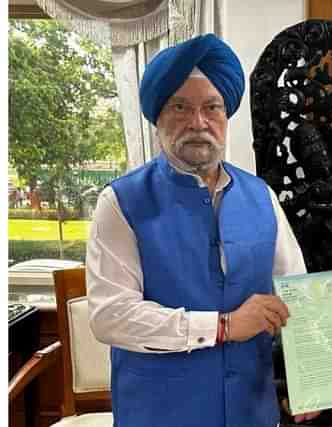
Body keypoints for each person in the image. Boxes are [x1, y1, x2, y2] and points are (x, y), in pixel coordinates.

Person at [87, 34, 316, 427]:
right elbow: (111, 315)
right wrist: (222, 327)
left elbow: (298, 292)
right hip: (160, 413)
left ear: (226, 117)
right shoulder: (121, 202)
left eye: (212, 107)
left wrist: (310, 377)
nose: (198, 123)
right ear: (157, 116)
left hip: (252, 410)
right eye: (180, 107)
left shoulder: (262, 197)